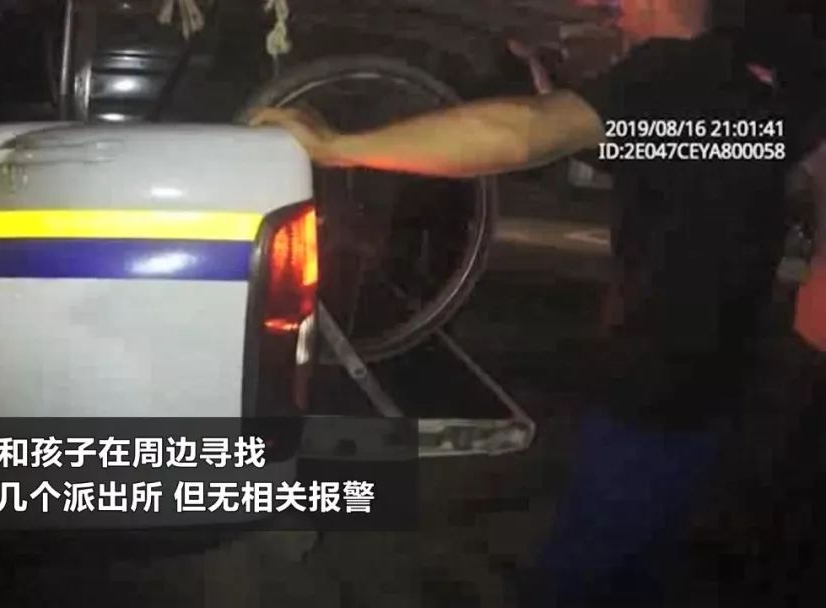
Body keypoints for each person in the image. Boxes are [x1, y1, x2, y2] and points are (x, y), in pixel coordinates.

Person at [251, 0, 823, 605]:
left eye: (622, 5)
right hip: (722, 376)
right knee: (649, 551)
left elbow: (520, 134)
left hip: (654, 379)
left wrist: (336, 145)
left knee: (583, 569)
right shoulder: (750, 83)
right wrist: (552, 85)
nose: (617, 16)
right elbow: (618, 142)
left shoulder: (669, 70)